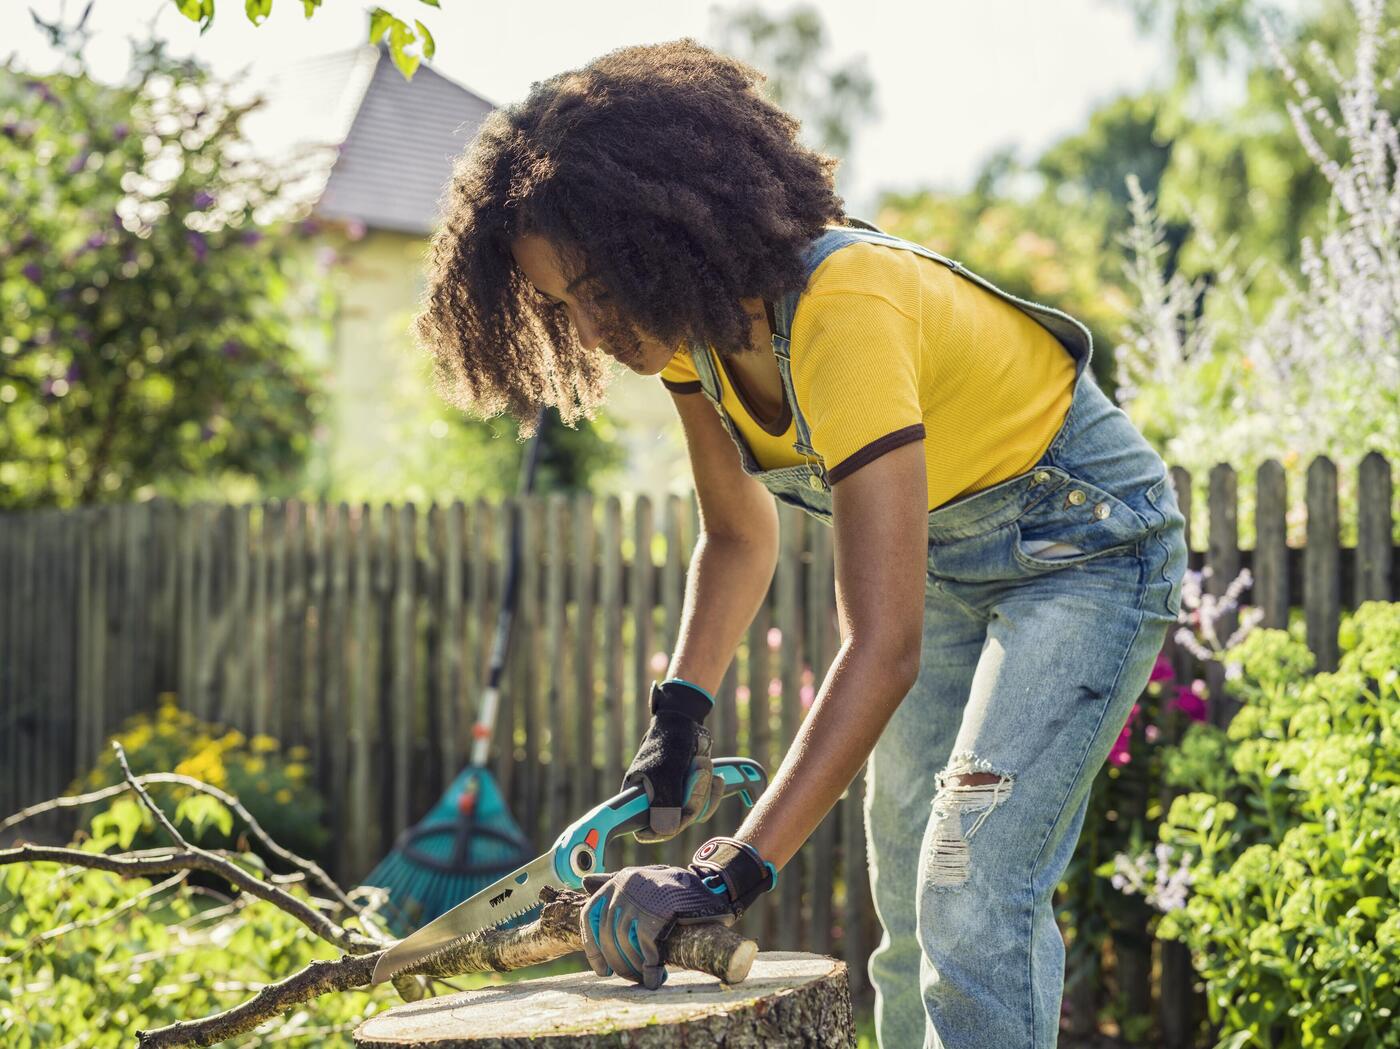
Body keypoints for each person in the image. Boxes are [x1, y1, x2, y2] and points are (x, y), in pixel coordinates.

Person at [414, 37, 1188, 1049]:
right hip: (958, 563)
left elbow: (881, 643)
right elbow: (736, 538)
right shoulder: (692, 343)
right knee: (906, 893)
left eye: (597, 287)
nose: (590, 327)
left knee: (964, 885)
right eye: (560, 305)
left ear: (663, 233)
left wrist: (722, 871)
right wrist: (675, 722)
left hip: (1087, 549)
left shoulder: (842, 308)